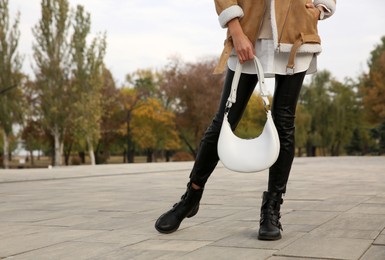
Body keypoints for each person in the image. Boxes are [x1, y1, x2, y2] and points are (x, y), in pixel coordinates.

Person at [155, 0, 336, 240]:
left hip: (296, 31)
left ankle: (272, 209)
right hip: (248, 31)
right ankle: (191, 196)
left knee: (284, 124)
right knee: (223, 122)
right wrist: (236, 31)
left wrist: (320, 8)